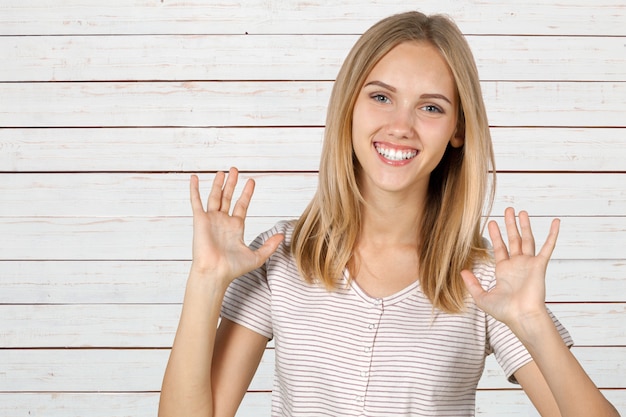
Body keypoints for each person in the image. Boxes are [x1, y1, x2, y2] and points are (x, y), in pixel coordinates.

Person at [158, 11, 620, 417]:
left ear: (457, 129)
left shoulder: (483, 282)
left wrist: (534, 323)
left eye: (431, 107)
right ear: (350, 108)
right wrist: (205, 280)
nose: (401, 125)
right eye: (381, 97)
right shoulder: (281, 258)